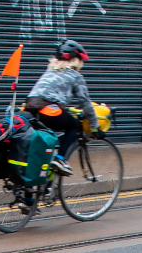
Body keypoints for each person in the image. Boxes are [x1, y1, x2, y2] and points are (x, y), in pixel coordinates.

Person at [24, 39, 98, 175]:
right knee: (74, 126)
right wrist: (95, 127)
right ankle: (60, 158)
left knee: (39, 145)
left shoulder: (50, 71)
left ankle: (30, 194)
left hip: (29, 110)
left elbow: (49, 95)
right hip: (49, 112)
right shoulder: (75, 75)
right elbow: (86, 102)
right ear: (76, 60)